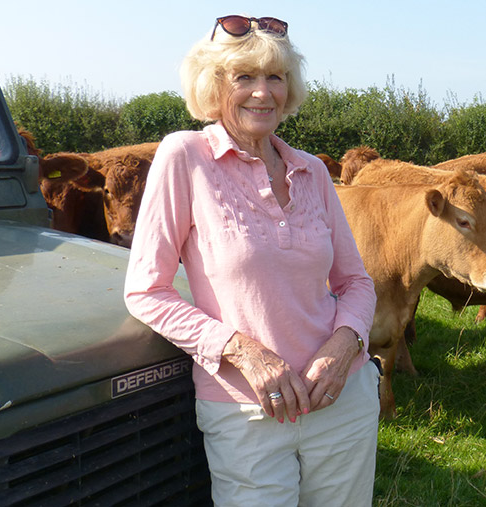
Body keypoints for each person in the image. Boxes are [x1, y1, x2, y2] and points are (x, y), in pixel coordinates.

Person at [124, 14, 379, 506]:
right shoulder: (185, 157)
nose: (263, 92)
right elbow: (145, 291)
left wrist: (345, 345)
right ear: (215, 86)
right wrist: (244, 351)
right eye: (245, 77)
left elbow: (355, 282)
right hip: (247, 408)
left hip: (340, 396)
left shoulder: (312, 171)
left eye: (275, 77)